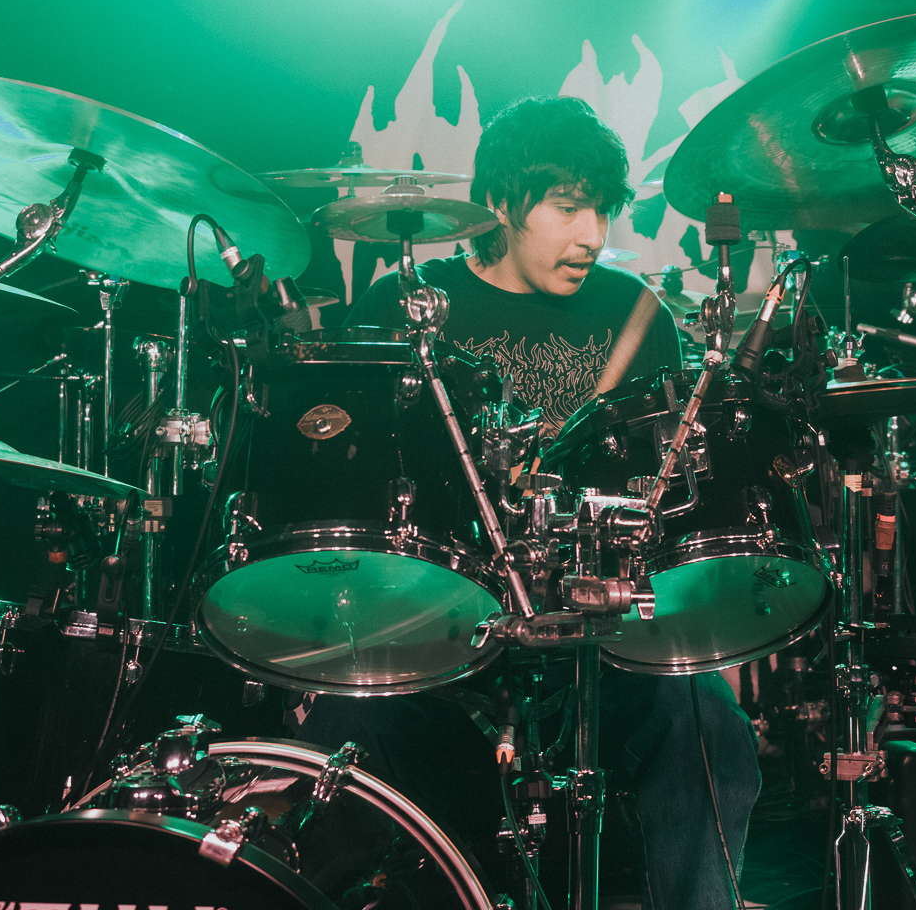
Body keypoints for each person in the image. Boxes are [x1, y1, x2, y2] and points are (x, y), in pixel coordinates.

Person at [297, 95, 760, 909]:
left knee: (708, 719)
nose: (592, 236)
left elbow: (674, 489)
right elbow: (352, 492)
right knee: (342, 729)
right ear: (502, 202)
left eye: (603, 212)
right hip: (431, 633)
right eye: (569, 208)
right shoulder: (402, 308)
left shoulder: (637, 313)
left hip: (596, 640)